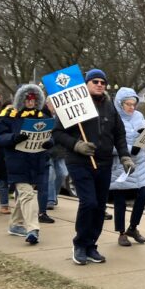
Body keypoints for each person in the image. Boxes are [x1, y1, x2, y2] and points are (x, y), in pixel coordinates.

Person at [52, 68, 133, 265]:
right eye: (95, 81)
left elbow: (119, 134)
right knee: (88, 203)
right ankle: (79, 244)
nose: (99, 84)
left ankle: (91, 246)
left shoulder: (110, 107)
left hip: (103, 162)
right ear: (86, 84)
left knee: (99, 207)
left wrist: (124, 156)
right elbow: (57, 133)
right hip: (79, 162)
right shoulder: (73, 104)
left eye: (102, 82)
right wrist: (76, 145)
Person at [0, 84, 52, 245]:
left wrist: (49, 143)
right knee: (27, 194)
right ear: (21, 99)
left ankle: (14, 224)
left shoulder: (42, 116)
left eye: (34, 99)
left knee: (25, 195)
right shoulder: (9, 116)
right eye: (27, 99)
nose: (31, 102)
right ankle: (33, 229)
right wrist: (14, 138)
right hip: (16, 162)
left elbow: (50, 136)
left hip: (36, 161)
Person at [109, 87, 145, 247]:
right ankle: (121, 233)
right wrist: (127, 149)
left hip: (139, 162)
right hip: (121, 163)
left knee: (143, 195)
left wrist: (143, 141)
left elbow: (143, 135)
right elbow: (109, 143)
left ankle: (133, 227)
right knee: (120, 199)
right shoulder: (113, 118)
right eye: (128, 104)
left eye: (134, 104)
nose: (132, 108)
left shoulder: (139, 116)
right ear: (120, 104)